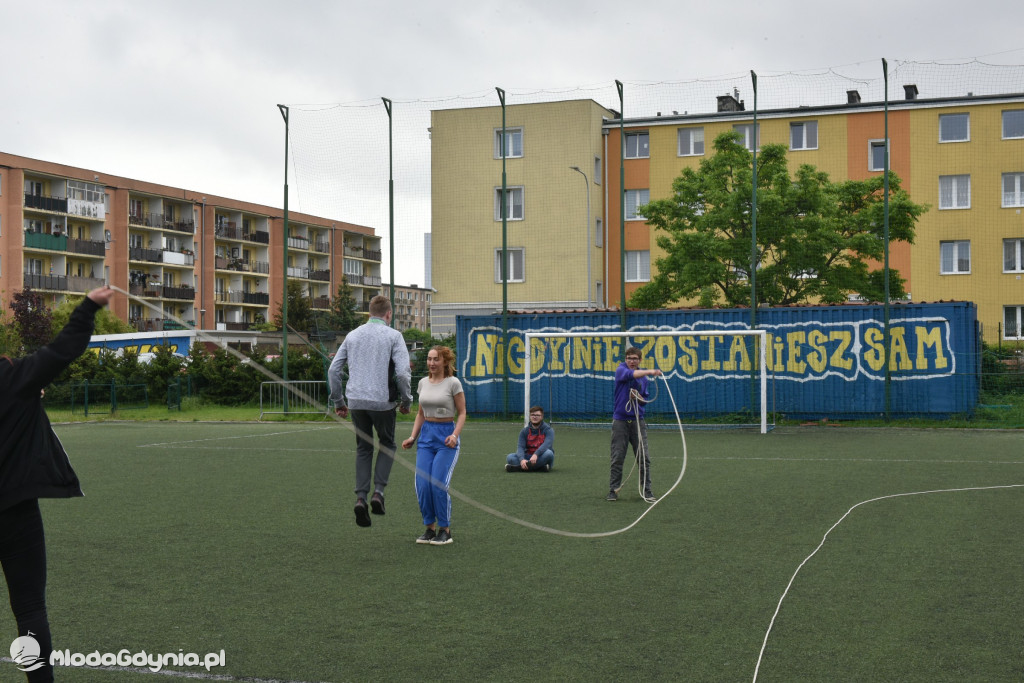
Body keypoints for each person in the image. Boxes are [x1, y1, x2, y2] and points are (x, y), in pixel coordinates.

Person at [1, 285, 115, 683]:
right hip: (16, 513)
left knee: (31, 608)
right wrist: (88, 306)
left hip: (16, 511)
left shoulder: (19, 380)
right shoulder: (15, 379)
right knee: (30, 608)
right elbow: (64, 349)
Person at [328, 295, 412, 528]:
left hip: (355, 401)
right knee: (387, 444)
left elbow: (333, 371)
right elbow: (403, 374)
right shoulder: (394, 336)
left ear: (368, 314)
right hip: (382, 402)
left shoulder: (352, 335)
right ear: (389, 314)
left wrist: (338, 401)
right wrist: (406, 400)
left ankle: (361, 498)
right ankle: (378, 493)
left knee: (363, 448)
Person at [401, 346, 465, 545]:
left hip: (446, 437)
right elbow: (420, 414)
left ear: (445, 361)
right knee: (422, 483)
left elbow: (462, 413)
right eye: (429, 359)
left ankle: (445, 530)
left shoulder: (453, 383)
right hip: (426, 437)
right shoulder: (422, 383)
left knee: (438, 483)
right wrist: (413, 437)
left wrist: (455, 435)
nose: (431, 363)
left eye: (436, 359)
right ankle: (429, 528)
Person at [607, 346, 662, 503]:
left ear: (640, 360)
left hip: (638, 421)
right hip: (620, 421)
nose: (632, 361)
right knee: (617, 457)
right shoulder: (621, 370)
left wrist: (637, 397)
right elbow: (631, 374)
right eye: (629, 358)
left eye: (635, 359)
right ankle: (613, 490)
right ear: (626, 359)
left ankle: (647, 491)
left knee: (644, 458)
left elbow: (644, 401)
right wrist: (651, 371)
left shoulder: (643, 379)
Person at [505, 406, 555, 472]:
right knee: (510, 457)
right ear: (530, 416)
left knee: (549, 453)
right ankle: (540, 468)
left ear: (542, 416)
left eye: (537, 415)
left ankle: (519, 468)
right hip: (528, 457)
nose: (535, 417)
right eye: (532, 415)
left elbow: (547, 445)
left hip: (541, 456)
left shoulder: (548, 430)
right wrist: (522, 459)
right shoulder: (524, 431)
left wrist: (536, 454)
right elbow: (520, 447)